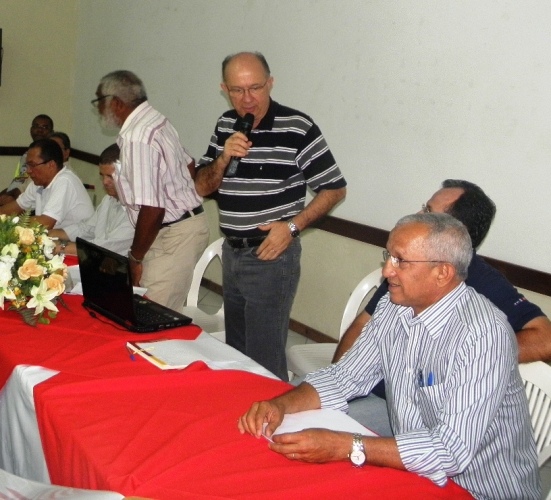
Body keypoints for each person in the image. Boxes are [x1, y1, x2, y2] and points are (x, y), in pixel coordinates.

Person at [239, 213, 540, 500]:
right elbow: (345, 377)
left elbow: (450, 451)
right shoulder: (395, 307)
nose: (387, 271)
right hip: (415, 474)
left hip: (477, 489)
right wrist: (281, 405)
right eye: (388, 256)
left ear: (442, 273)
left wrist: (346, 446)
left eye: (400, 261)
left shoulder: (483, 334)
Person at [327, 180, 551, 435]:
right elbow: (363, 324)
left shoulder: (484, 281)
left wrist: (465, 354)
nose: (418, 214)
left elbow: (545, 338)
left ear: (454, 230)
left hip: (404, 414)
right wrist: (338, 385)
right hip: (367, 389)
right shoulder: (406, 267)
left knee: (319, 432)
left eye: (428, 211)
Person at [195, 52, 346, 381]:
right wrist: (223, 158)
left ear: (271, 83)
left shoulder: (297, 127)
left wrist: (291, 228)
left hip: (271, 256)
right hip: (232, 252)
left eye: (256, 88)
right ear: (224, 89)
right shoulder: (225, 124)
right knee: (236, 353)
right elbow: (203, 187)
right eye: (237, 90)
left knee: (263, 359)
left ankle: (271, 412)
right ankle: (239, 410)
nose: (247, 99)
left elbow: (335, 189)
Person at [94, 70, 209, 312]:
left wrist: (135, 258)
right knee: (147, 307)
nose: (98, 109)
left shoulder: (138, 137)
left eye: (100, 102)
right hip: (172, 228)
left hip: (173, 234)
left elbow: (153, 208)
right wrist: (176, 195)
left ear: (116, 103)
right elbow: (188, 165)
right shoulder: (155, 120)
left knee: (150, 314)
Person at [48, 144, 134, 256]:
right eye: (102, 176)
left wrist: (60, 246)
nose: (105, 182)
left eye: (111, 176)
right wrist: (48, 234)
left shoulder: (137, 210)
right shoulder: (108, 199)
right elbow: (86, 228)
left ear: (129, 175)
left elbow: (103, 248)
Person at [0, 138, 94, 230]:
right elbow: (17, 206)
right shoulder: (38, 182)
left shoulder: (65, 181)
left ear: (51, 165)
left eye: (32, 165)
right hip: (55, 236)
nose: (28, 171)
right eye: (27, 165)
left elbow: (45, 223)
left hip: (76, 239)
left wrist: (11, 224)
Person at [0, 114, 54, 206]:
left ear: (51, 132)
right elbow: (18, 179)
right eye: (36, 126)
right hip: (17, 195)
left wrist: (12, 197)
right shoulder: (27, 154)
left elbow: (34, 188)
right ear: (31, 129)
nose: (39, 130)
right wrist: (7, 193)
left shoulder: (51, 156)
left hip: (31, 202)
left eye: (45, 127)